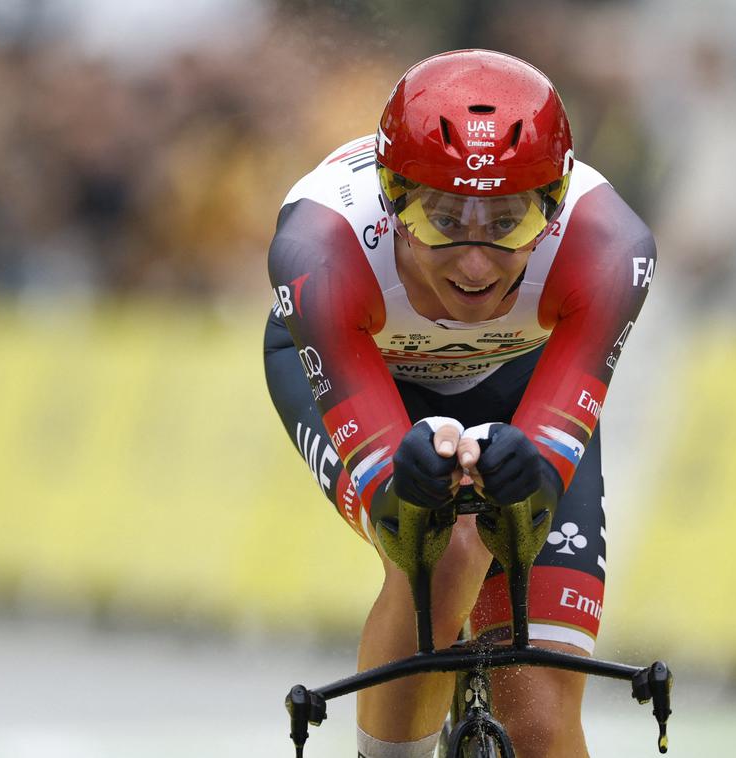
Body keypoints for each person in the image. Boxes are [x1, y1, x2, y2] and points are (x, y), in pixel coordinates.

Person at [264, 49, 655, 758]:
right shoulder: (321, 247)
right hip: (370, 373)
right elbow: (397, 508)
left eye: (507, 224)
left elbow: (539, 485)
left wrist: (530, 474)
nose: (474, 263)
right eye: (443, 219)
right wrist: (402, 488)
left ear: (555, 204)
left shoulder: (609, 248)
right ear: (391, 200)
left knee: (538, 723)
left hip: (521, 378)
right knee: (439, 549)